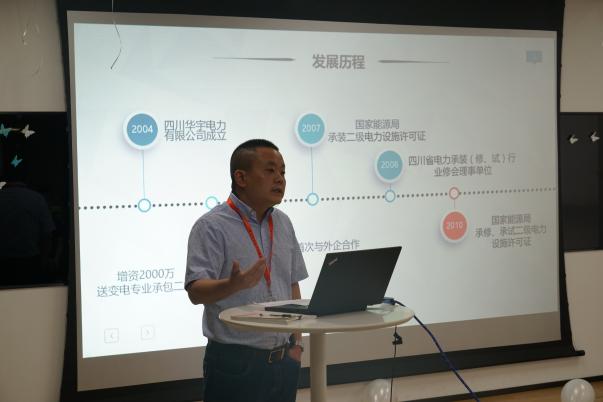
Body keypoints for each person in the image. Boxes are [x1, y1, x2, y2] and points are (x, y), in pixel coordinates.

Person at [185, 139, 308, 402]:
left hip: (284, 359)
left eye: (283, 172)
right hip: (235, 363)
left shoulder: (283, 223)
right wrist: (233, 285)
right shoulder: (211, 226)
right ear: (241, 177)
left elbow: (292, 283)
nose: (280, 179)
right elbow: (195, 291)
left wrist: (297, 344)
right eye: (270, 170)